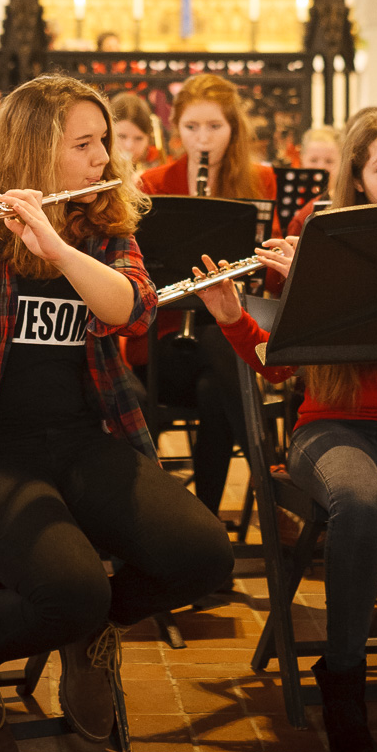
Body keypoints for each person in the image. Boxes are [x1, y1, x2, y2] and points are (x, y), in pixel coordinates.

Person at [0, 75, 231, 752]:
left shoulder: (101, 221)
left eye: (101, 140)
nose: (103, 157)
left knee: (202, 556)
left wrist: (58, 248)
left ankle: (91, 629)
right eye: (84, 144)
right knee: (71, 589)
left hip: (80, 440)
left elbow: (133, 310)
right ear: (35, 150)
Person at [194, 107, 377, 752]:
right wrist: (237, 316)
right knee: (359, 502)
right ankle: (343, 676)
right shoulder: (324, 237)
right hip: (329, 427)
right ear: (357, 181)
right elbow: (277, 366)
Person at [136, 73, 277, 518]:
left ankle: (207, 520)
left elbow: (270, 278)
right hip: (167, 343)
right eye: (191, 127)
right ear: (176, 129)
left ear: (233, 129)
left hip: (232, 340)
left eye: (214, 127)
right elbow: (141, 273)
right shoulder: (154, 183)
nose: (202, 139)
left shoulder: (259, 181)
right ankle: (271, 478)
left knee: (217, 385)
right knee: (221, 355)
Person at [110, 92, 162, 178]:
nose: (129, 146)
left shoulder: (157, 167)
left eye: (138, 138)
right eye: (121, 136)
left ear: (148, 139)